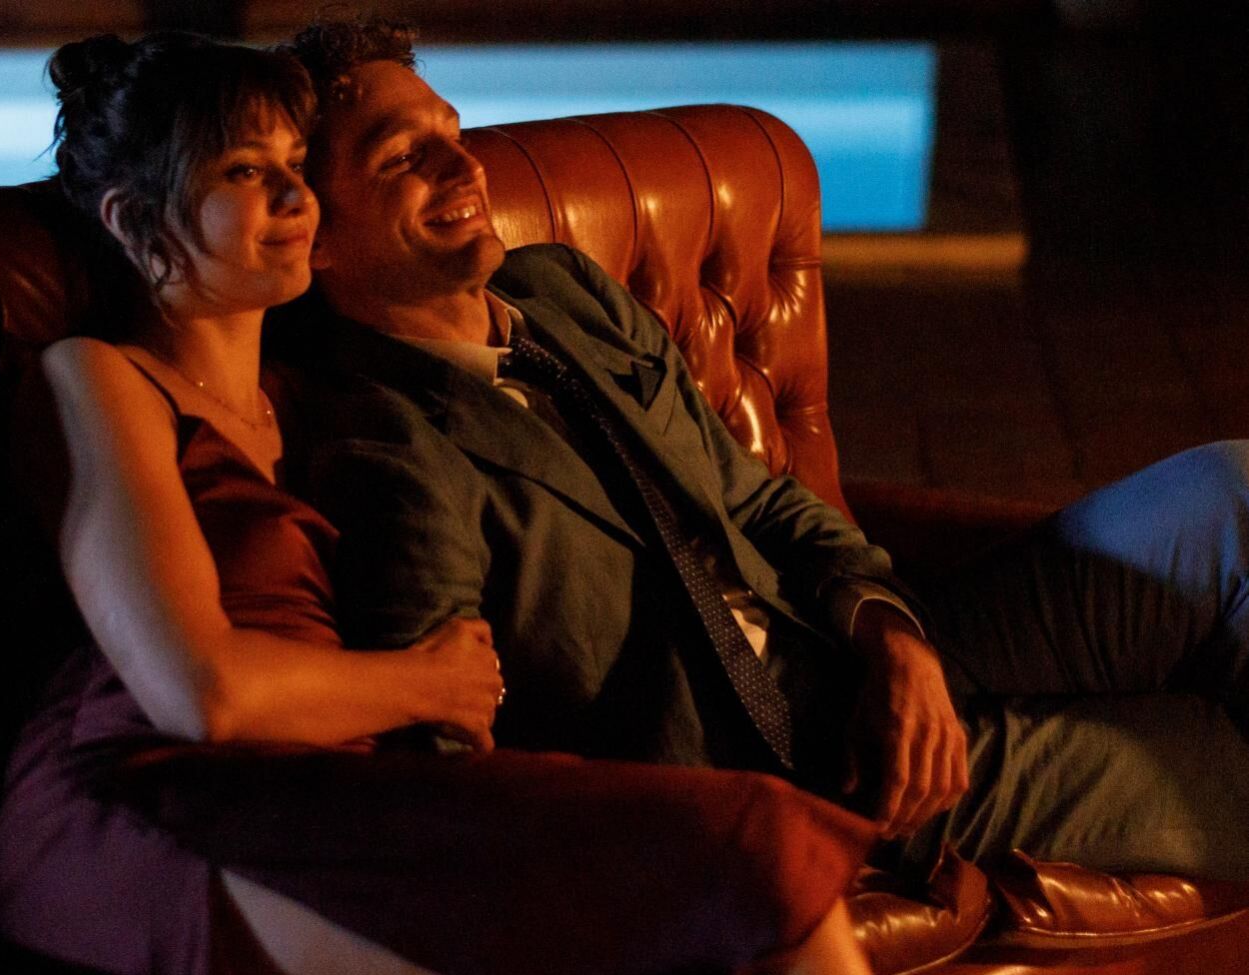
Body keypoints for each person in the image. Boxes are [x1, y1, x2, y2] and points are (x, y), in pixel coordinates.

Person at [272, 14, 1249, 884]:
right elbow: (446, 765)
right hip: (791, 765)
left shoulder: (559, 291)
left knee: (1230, 489)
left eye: (451, 130)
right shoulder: (387, 449)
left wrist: (889, 634)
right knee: (1217, 755)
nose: (462, 168)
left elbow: (753, 500)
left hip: (845, 639)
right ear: (316, 236)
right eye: (403, 159)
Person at [0, 30, 878, 975]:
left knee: (747, 861)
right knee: (750, 845)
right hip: (147, 800)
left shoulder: (316, 400)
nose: (296, 197)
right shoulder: (99, 378)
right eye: (247, 172)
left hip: (330, 783)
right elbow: (202, 694)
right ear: (133, 219)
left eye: (297, 166)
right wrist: (427, 682)